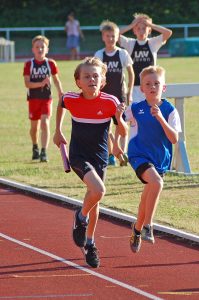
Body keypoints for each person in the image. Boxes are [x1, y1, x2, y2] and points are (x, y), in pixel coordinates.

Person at [53, 57, 128, 268]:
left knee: (95, 200)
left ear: (103, 80)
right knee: (99, 190)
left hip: (100, 157)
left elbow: (122, 131)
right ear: (78, 81)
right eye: (87, 76)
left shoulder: (110, 102)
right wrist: (57, 131)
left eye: (96, 76)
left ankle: (89, 243)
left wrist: (120, 119)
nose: (92, 79)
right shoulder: (71, 98)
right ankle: (80, 216)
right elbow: (61, 103)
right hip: (78, 156)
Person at [125, 65, 181, 252]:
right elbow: (119, 122)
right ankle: (149, 225)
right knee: (156, 183)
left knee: (146, 198)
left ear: (163, 87)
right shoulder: (135, 108)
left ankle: (138, 229)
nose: (152, 87)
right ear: (142, 88)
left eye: (157, 83)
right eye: (148, 84)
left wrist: (160, 119)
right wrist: (116, 138)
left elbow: (174, 139)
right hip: (138, 155)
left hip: (160, 160)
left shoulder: (170, 110)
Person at [95, 20, 134, 166]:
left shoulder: (122, 54)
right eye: (108, 36)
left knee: (121, 125)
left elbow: (131, 73)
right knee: (106, 127)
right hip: (104, 97)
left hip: (119, 96)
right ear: (103, 37)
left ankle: (121, 154)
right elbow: (95, 75)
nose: (111, 39)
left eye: (113, 36)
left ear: (117, 37)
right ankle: (111, 153)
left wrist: (129, 92)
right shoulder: (99, 55)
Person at [23, 35, 63, 162]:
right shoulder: (29, 64)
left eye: (42, 47)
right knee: (34, 127)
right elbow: (27, 83)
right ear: (32, 49)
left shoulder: (50, 63)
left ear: (47, 49)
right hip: (33, 99)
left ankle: (44, 151)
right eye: (37, 47)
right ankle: (35, 146)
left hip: (46, 98)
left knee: (45, 123)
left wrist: (61, 92)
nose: (40, 49)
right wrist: (41, 83)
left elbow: (56, 80)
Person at [119, 13, 172, 103]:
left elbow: (168, 33)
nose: (141, 31)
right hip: (135, 86)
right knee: (136, 114)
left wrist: (150, 24)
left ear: (149, 30)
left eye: (144, 28)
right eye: (138, 28)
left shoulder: (153, 43)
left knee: (152, 111)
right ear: (134, 31)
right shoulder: (130, 43)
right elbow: (115, 34)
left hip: (151, 86)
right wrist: (132, 25)